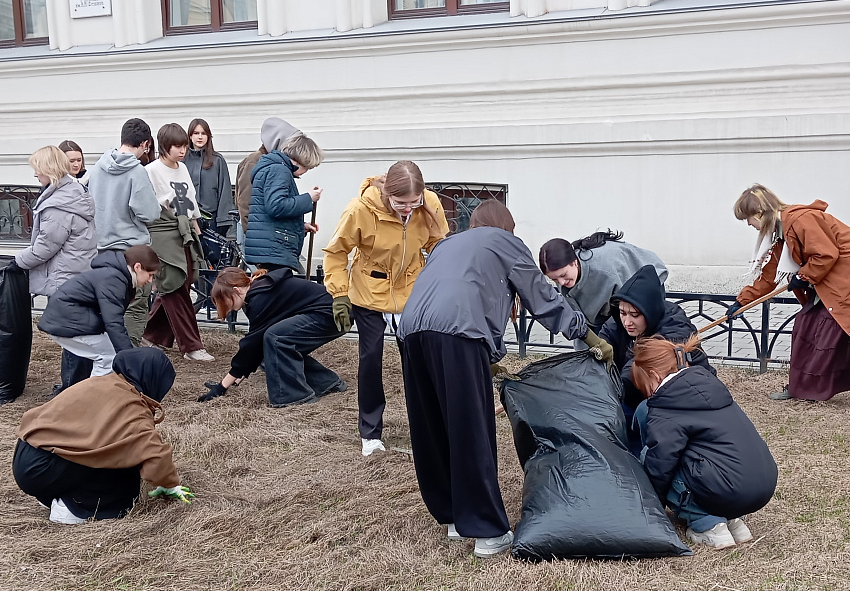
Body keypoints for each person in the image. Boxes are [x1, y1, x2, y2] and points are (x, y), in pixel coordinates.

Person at [396, 201, 605, 558]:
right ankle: (487, 531)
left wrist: (488, 360)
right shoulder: (505, 242)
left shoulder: (447, 244)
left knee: (431, 425)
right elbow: (541, 298)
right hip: (459, 334)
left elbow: (465, 291)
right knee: (470, 428)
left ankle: (451, 517)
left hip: (412, 331)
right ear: (507, 227)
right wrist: (588, 335)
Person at [729, 185, 850, 418]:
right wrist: (741, 302)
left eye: (748, 218)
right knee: (807, 326)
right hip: (832, 286)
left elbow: (826, 254)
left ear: (759, 213)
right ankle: (802, 388)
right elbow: (770, 274)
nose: (748, 225)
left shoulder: (801, 220)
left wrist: (803, 276)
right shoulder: (781, 231)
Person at [322, 161, 448, 456]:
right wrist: (340, 294)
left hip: (412, 289)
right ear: (387, 194)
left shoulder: (429, 203)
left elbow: (438, 244)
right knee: (371, 359)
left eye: (413, 203)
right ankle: (370, 433)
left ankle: (427, 426)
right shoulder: (360, 210)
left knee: (419, 360)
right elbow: (336, 252)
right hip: (369, 291)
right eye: (400, 203)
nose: (408, 209)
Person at [14, 347, 194, 524]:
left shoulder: (103, 383)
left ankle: (50, 494)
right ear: (153, 379)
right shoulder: (133, 408)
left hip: (26, 454)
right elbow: (154, 455)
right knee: (125, 477)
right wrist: (169, 485)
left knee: (102, 447)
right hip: (44, 468)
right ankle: (75, 508)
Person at [631, 333, 778, 549]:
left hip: (729, 489)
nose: (647, 394)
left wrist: (652, 504)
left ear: (653, 375)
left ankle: (708, 525)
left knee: (650, 456)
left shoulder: (666, 405)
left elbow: (661, 463)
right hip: (762, 486)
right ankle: (733, 520)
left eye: (644, 387)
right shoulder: (707, 384)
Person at [10, 146, 98, 395]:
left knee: (71, 337)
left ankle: (71, 390)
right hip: (79, 274)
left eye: (37, 169)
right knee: (78, 335)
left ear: (49, 169)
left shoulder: (59, 205)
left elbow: (43, 248)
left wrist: (16, 262)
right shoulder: (73, 192)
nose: (35, 175)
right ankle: (78, 385)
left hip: (65, 279)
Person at [598, 264, 714, 453]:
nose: (627, 321)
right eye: (622, 312)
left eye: (635, 315)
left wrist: (609, 389)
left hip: (679, 404)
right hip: (637, 396)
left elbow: (635, 371)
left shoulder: (675, 328)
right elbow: (601, 346)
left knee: (640, 414)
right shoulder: (618, 323)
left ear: (649, 310)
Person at [198, 267, 346, 408]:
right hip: (332, 313)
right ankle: (326, 383)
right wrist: (239, 374)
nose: (226, 307)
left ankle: (295, 398)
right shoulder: (260, 289)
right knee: (270, 348)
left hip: (332, 314)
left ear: (236, 290)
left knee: (275, 339)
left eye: (225, 301)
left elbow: (251, 346)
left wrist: (222, 386)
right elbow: (255, 347)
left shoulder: (260, 297)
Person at [85, 118, 163, 344]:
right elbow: (149, 213)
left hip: (100, 250)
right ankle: (128, 356)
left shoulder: (97, 168)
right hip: (132, 251)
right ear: (146, 144)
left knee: (105, 306)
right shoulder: (136, 171)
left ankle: (106, 355)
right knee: (135, 305)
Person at [141, 123, 213, 362]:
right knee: (173, 282)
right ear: (164, 146)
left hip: (184, 230)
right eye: (177, 146)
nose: (182, 151)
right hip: (163, 232)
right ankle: (191, 346)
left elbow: (189, 201)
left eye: (184, 146)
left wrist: (195, 227)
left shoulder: (182, 167)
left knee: (180, 282)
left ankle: (151, 336)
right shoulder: (151, 170)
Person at [37, 245, 160, 381]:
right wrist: (129, 358)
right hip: (66, 320)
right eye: (150, 275)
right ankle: (94, 397)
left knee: (107, 353)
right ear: (137, 267)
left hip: (65, 319)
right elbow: (113, 322)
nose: (150, 281)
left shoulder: (115, 274)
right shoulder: (114, 279)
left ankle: (89, 394)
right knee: (108, 356)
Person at [538, 230, 668, 337]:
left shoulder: (605, 271)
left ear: (575, 262)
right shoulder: (566, 274)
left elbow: (626, 313)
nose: (561, 282)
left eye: (563, 275)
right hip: (606, 309)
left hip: (645, 286)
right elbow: (584, 324)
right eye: (554, 280)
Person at [244, 132, 325, 272]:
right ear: (300, 159)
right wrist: (308, 198)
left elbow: (272, 211)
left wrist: (300, 226)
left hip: (269, 248)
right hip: (273, 250)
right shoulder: (280, 170)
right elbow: (276, 206)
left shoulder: (274, 167)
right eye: (307, 167)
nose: (306, 171)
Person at [236, 118, 301, 247]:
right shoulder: (254, 162)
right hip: (257, 236)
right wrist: (254, 236)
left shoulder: (276, 163)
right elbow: (245, 202)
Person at [186, 118, 235, 236]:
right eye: (196, 133)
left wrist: (224, 220)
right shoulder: (183, 160)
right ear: (190, 136)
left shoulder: (217, 160)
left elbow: (225, 191)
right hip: (188, 219)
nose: (200, 137)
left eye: (203, 133)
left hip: (211, 220)